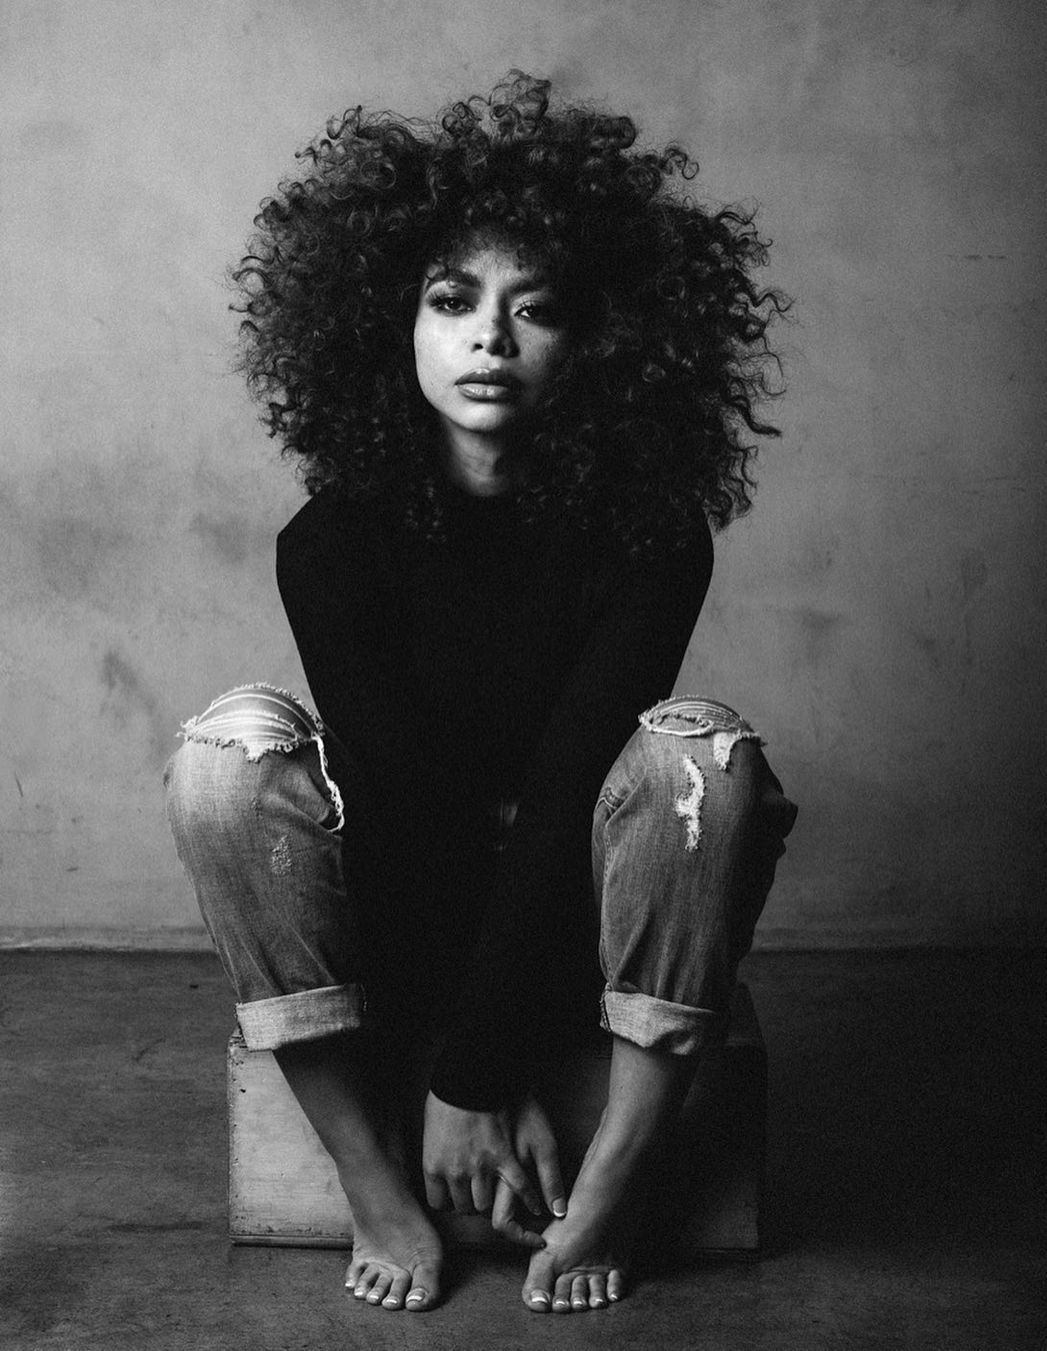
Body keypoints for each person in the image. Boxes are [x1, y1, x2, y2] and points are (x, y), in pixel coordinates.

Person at [164, 72, 796, 1315]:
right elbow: (408, 811)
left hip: (582, 918)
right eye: (453, 301)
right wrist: (466, 1071)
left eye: (534, 308)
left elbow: (567, 801)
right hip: (405, 915)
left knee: (699, 762)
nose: (490, 338)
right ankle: (374, 1182)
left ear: (596, 340)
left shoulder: (652, 534)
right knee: (222, 765)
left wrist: (475, 1072)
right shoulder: (332, 543)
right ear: (390, 325)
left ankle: (612, 1184)